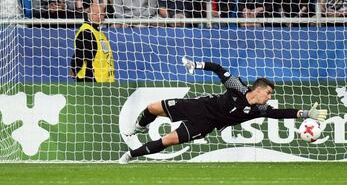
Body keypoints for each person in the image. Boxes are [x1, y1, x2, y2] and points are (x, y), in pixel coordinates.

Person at [119, 57, 328, 164]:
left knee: (168, 140)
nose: (270, 97)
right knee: (152, 107)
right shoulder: (237, 86)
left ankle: (129, 155)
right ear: (258, 89)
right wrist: (196, 65)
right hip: (199, 106)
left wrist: (305, 114)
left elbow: (280, 113)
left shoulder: (259, 109)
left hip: (204, 125)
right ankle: (140, 126)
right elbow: (219, 69)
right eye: (269, 93)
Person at [70, 2, 115, 82]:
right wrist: (74, 69)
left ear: (104, 15)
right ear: (88, 14)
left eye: (101, 14)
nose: (98, 16)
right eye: (95, 14)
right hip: (90, 80)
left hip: (104, 80)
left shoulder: (100, 34)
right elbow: (79, 55)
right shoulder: (86, 32)